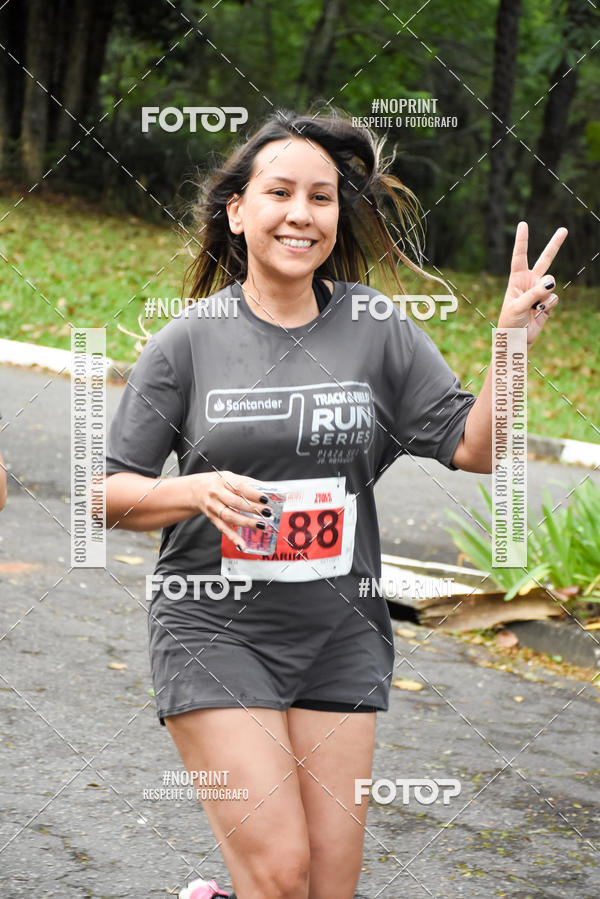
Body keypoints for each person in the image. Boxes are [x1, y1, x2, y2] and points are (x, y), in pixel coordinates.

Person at [104, 109, 566, 899]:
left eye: (321, 198)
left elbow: (476, 448)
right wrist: (193, 489)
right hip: (213, 627)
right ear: (238, 211)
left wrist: (510, 343)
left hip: (338, 634)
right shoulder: (186, 341)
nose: (301, 213)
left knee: (326, 887)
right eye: (279, 191)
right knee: (281, 873)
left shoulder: (376, 327)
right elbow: (107, 493)